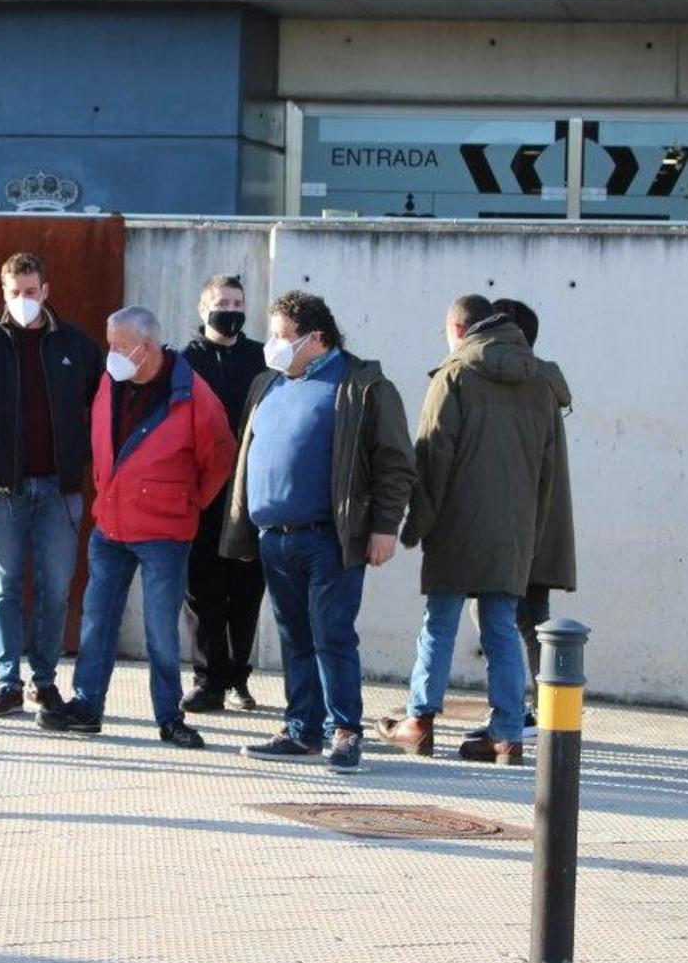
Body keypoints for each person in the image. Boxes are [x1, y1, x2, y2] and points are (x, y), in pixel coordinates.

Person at [222, 291, 416, 775]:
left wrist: (384, 528)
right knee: (294, 637)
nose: (274, 344)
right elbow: (249, 457)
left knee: (331, 634)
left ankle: (344, 731)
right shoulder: (268, 384)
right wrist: (242, 532)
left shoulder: (362, 385)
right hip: (274, 536)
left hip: (329, 536)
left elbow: (394, 463)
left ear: (317, 338)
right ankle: (301, 730)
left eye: (284, 336)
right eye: (274, 334)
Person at [39, 306, 236, 748]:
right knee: (97, 621)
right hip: (110, 527)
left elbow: (219, 457)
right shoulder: (112, 381)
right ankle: (87, 707)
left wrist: (187, 502)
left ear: (145, 347)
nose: (110, 353)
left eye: (117, 345)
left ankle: (169, 717)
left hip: (164, 533)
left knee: (160, 631)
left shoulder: (194, 396)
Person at [381, 295, 558, 767]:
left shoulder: (455, 374)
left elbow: (432, 455)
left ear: (457, 330)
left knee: (439, 624)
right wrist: (533, 533)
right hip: (514, 530)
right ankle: (506, 735)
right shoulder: (539, 381)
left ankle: (418, 722)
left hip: (457, 523)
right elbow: (548, 473)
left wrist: (417, 523)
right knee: (502, 627)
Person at [0, 252, 104, 718]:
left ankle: (44, 680)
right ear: (3, 293)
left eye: (31, 291)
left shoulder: (75, 344)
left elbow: (102, 407)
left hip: (60, 488)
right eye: (15, 293)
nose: (24, 300)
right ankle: (7, 682)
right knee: (5, 585)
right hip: (0, 486)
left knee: (56, 587)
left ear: (46, 291)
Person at [462, 297, 575, 742]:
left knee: (500, 618)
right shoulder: (542, 379)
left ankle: (517, 712)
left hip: (512, 519)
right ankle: (538, 709)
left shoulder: (509, 380)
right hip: (541, 519)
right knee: (531, 619)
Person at [180, 275, 269, 713]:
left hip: (252, 496)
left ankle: (238, 679)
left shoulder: (262, 358)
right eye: (222, 302)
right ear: (203, 309)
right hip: (202, 494)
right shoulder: (183, 361)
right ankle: (206, 679)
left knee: (247, 592)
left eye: (238, 301)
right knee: (202, 592)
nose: (231, 310)